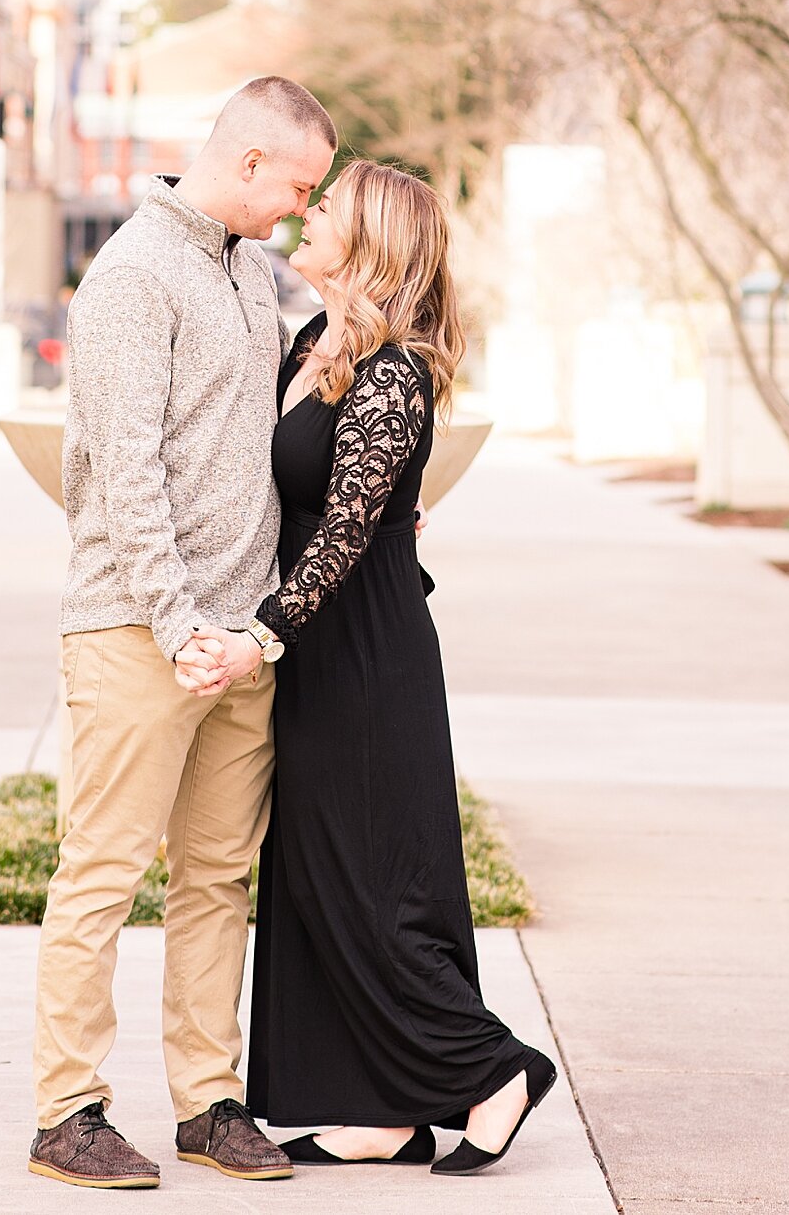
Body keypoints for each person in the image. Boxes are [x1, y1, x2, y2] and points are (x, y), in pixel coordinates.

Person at [177, 159, 557, 1175]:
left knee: (372, 879)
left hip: (363, 649)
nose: (308, 213)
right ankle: (371, 1107)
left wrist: (261, 635)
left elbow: (344, 532)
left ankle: (491, 1070)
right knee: (311, 877)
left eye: (328, 207)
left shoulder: (392, 372)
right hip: (319, 645)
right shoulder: (315, 344)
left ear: (372, 244)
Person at [28, 76, 337, 1192]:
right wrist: (175, 625)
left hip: (238, 637)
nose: (300, 212)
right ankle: (68, 1111)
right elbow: (126, 469)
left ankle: (209, 1101)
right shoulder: (130, 276)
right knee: (102, 873)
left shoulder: (253, 269)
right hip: (135, 626)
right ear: (249, 161)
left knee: (217, 880)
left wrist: (248, 627)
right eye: (296, 187)